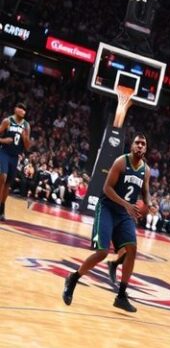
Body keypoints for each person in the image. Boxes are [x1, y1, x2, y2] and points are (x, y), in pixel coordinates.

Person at [62, 134, 150, 313]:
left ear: (146, 149)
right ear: (132, 146)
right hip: (108, 208)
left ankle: (121, 296)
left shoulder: (145, 170)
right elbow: (106, 189)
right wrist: (126, 205)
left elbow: (146, 191)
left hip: (124, 214)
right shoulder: (121, 162)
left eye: (143, 144)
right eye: (137, 143)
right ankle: (73, 278)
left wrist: (149, 203)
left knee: (132, 250)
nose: (140, 146)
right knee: (102, 252)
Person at [0, 102, 30, 220]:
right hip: (4, 153)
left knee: (8, 184)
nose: (23, 111)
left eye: (24, 109)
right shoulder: (7, 121)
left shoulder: (26, 125)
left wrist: (25, 138)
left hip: (15, 156)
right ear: (15, 109)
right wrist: (3, 140)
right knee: (3, 177)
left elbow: (27, 147)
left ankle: (2, 209)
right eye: (21, 108)